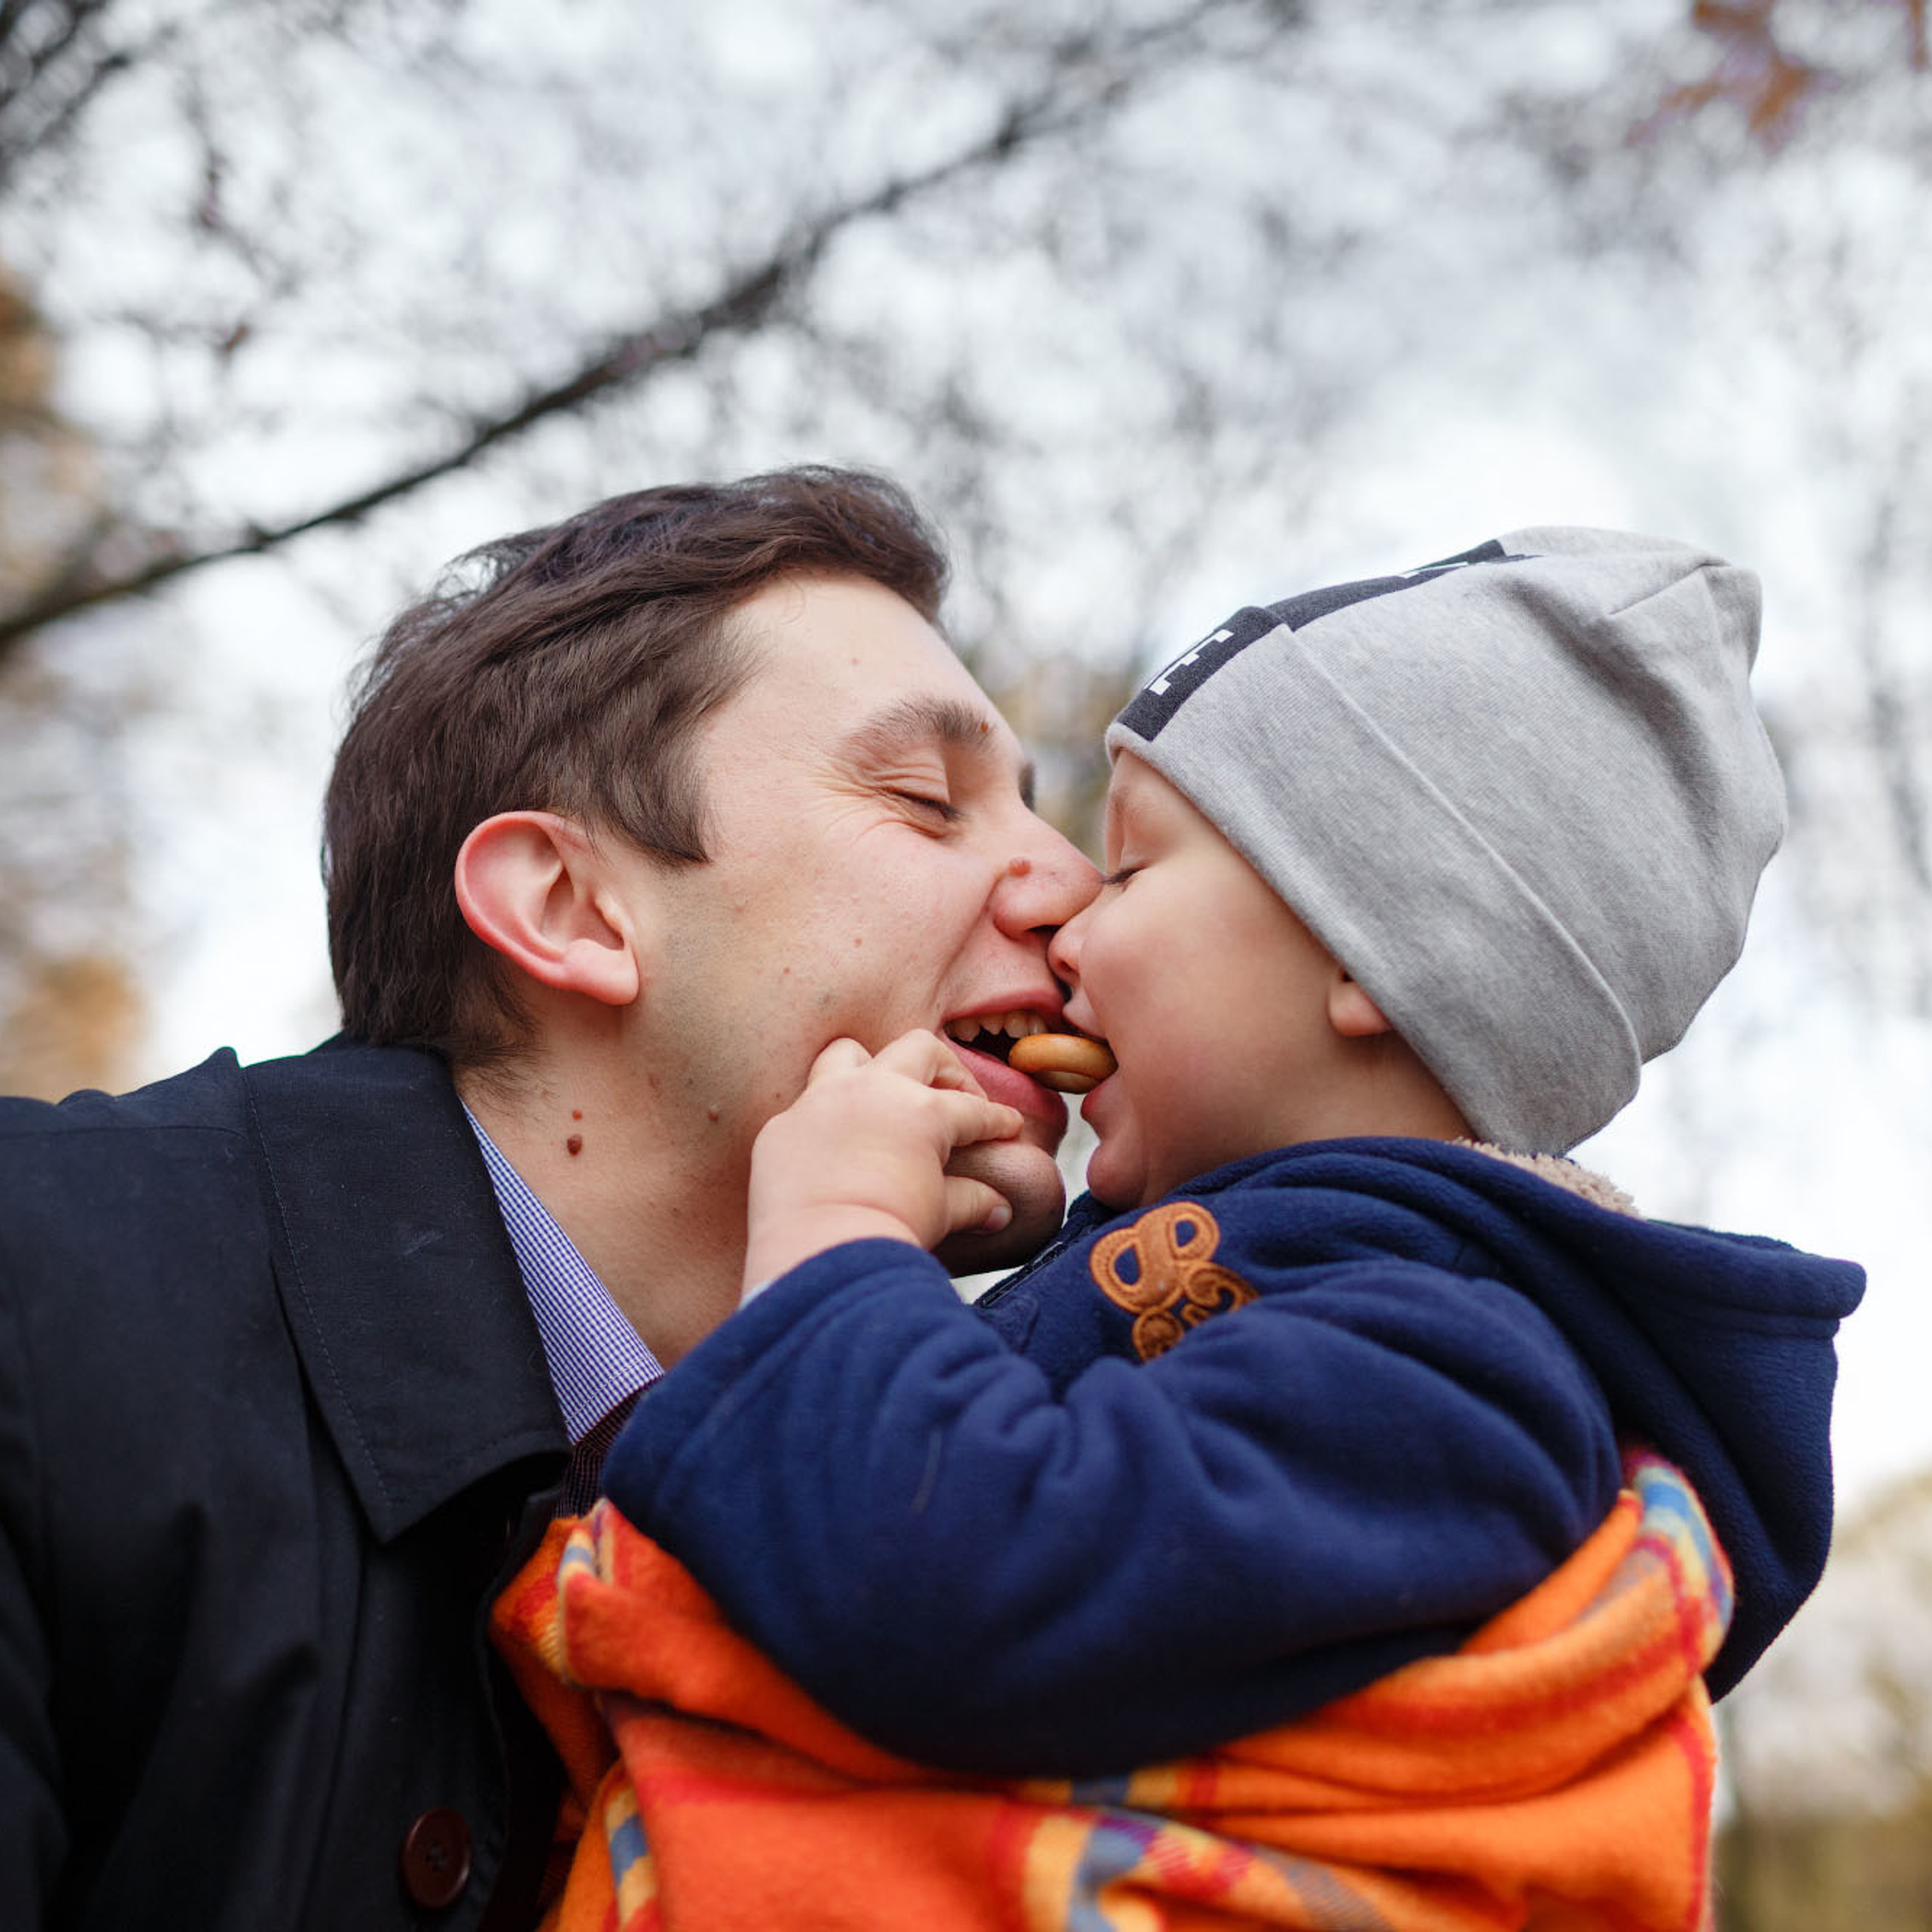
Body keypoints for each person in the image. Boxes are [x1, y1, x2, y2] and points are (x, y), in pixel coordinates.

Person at [504, 529, 1864, 1926]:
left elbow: (972, 1589)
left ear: (1368, 955)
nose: (1071, 922)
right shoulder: (1295, 1305)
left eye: (1139, 871)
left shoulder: (1443, 1367)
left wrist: (840, 1240)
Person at [0, 467, 1097, 1932]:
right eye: (923, 797)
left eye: (1039, 812)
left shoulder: (996, 1494)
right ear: (569, 908)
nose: (1072, 885)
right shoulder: (35, 1302)